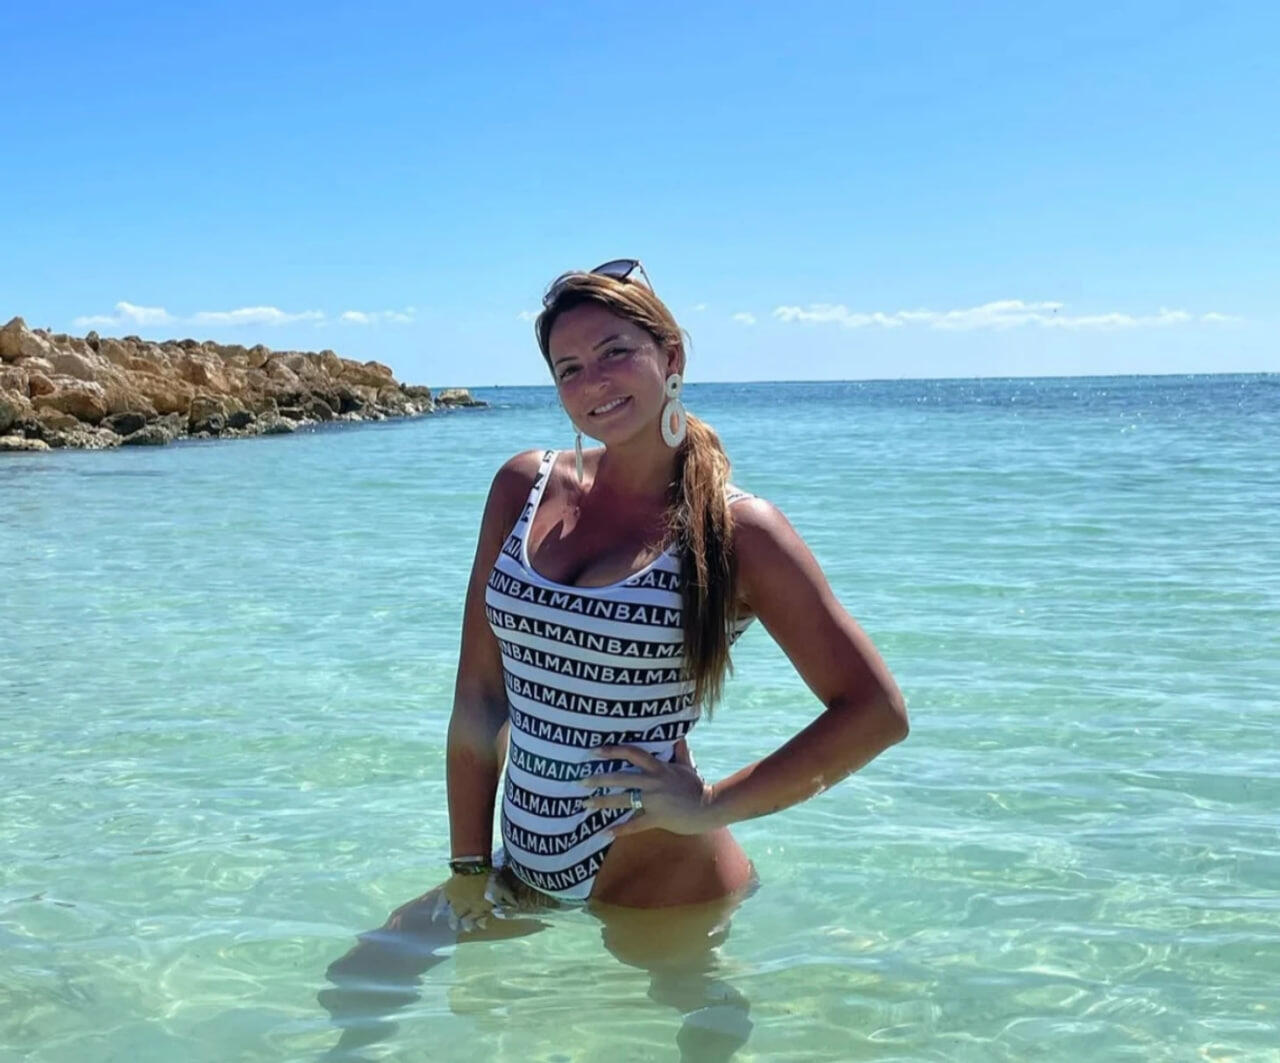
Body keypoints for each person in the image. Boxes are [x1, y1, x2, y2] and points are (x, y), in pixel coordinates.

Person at [320, 259, 908, 1056]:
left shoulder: (738, 531)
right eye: (569, 367)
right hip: (522, 860)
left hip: (657, 870)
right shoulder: (522, 487)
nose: (593, 381)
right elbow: (481, 697)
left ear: (672, 356)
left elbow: (876, 712)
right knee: (359, 981)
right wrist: (468, 865)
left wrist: (712, 803)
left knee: (689, 1033)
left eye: (614, 352)